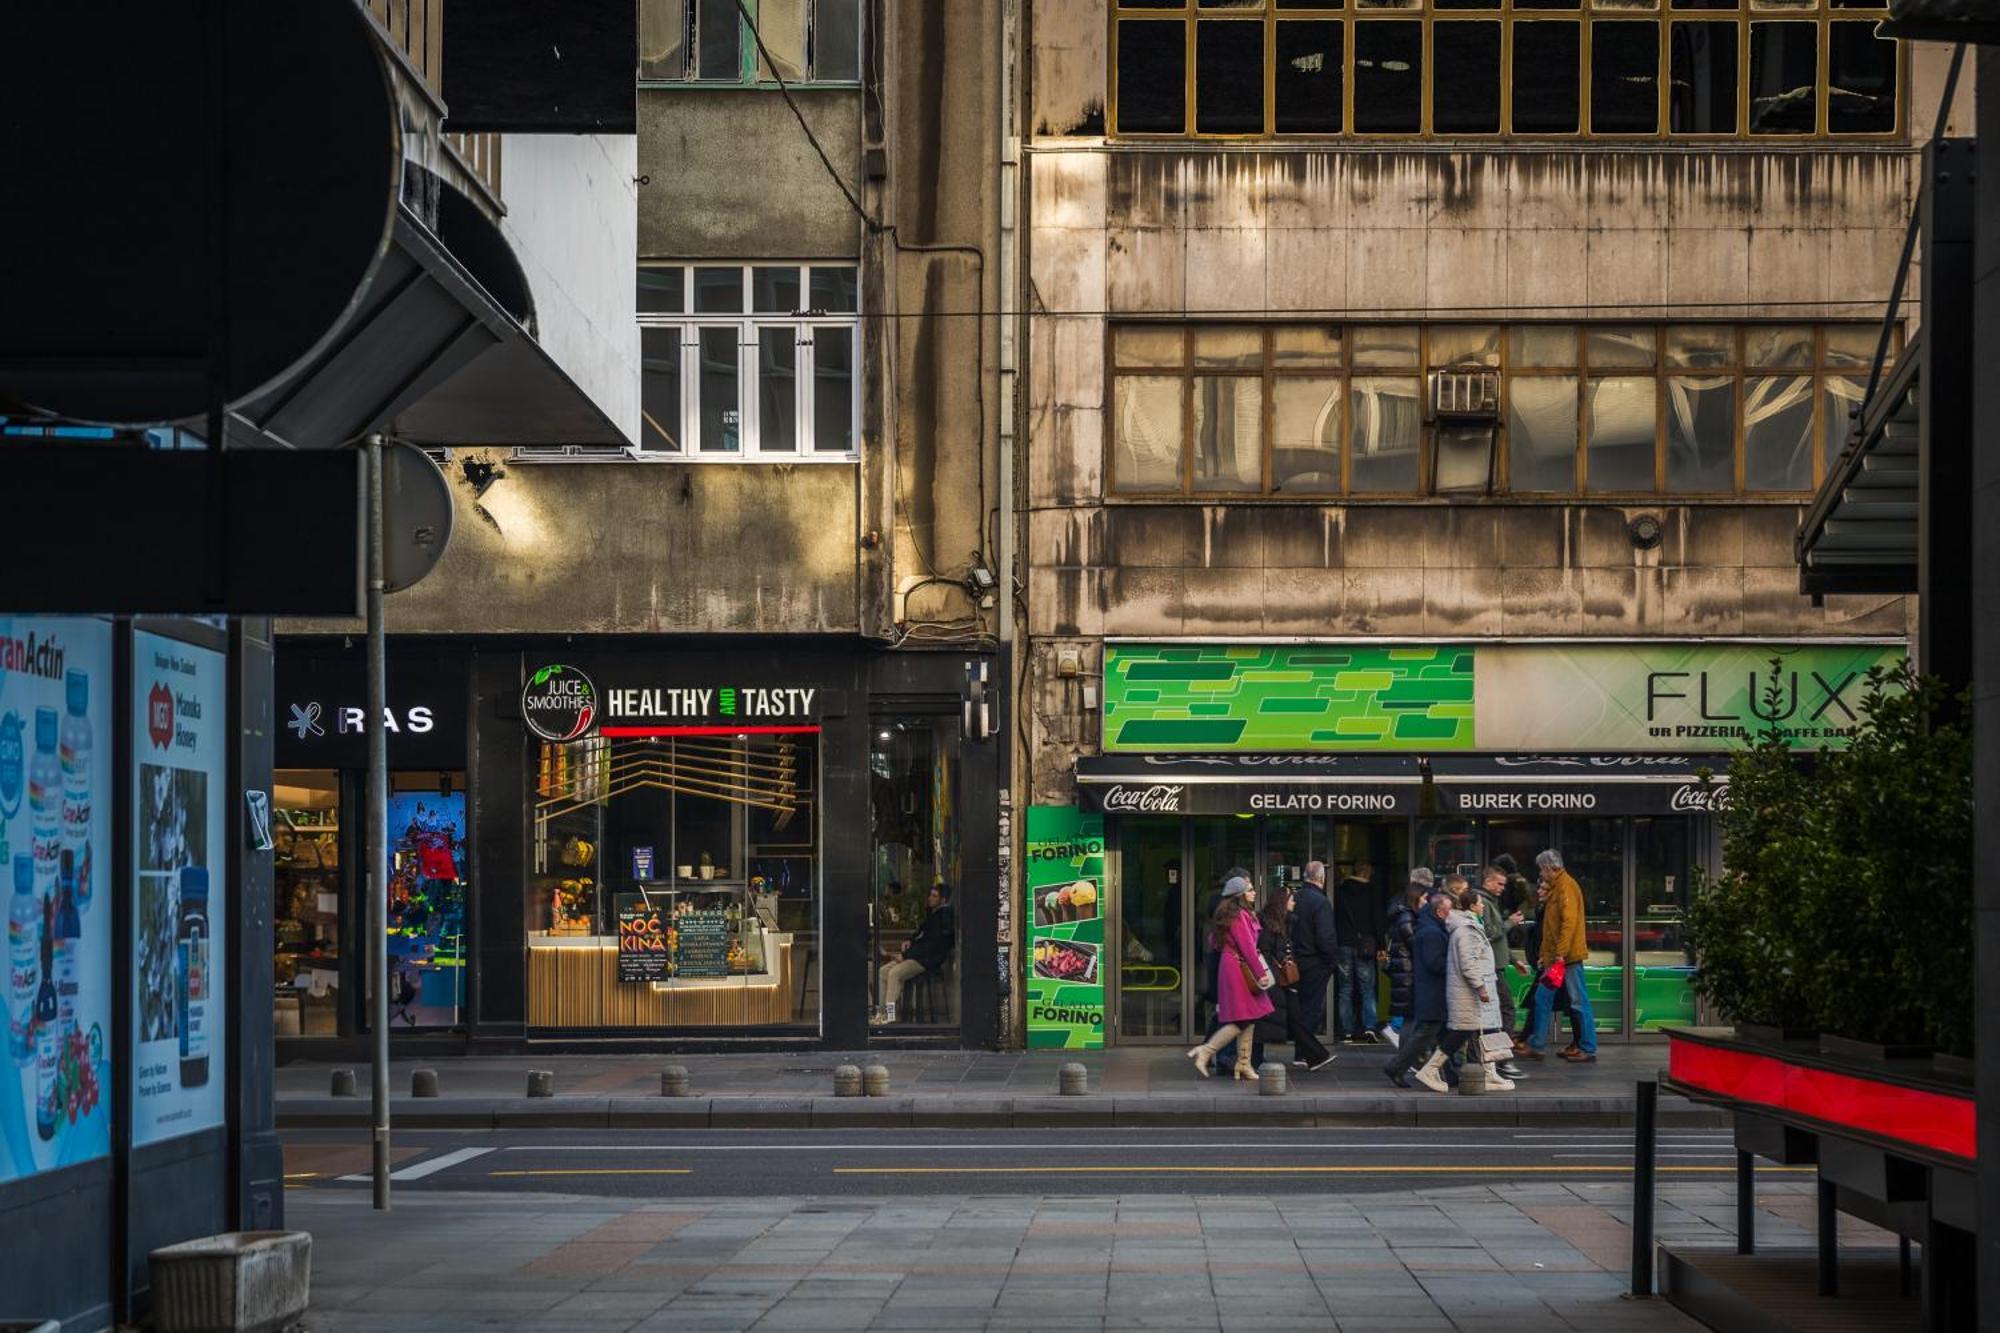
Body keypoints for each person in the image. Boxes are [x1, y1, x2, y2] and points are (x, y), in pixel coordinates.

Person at [1410, 885, 1516, 1094]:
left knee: (1481, 1032)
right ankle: (1430, 1070)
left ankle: (1489, 1073)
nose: (1483, 906)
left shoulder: (1470, 927)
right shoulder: (1466, 930)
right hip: (1468, 994)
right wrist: (1481, 987)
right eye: (1480, 903)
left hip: (1471, 993)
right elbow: (1468, 963)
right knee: (1460, 1034)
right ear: (1471, 906)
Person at [1187, 876, 1275, 1080]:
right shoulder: (1239, 916)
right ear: (1239, 894)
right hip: (1238, 969)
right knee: (1241, 1019)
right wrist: (1261, 974)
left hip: (1235, 966)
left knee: (1249, 1017)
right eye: (1250, 889)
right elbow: (1247, 947)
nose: (1254, 892)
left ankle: (1243, 1064)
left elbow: (1215, 941)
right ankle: (1206, 1051)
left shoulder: (1234, 914)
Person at [1522, 850, 1598, 1063]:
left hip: (1567, 958)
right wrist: (1545, 956)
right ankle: (1537, 1044)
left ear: (1548, 868)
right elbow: (1552, 928)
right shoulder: (1559, 888)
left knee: (1577, 1000)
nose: (1541, 874)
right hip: (1557, 957)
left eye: (1541, 869)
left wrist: (1559, 955)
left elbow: (1568, 924)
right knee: (1542, 998)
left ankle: (1588, 1047)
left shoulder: (1566, 887)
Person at [1258, 886, 1336, 1073]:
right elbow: (1265, 950)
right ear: (1283, 903)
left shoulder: (1286, 923)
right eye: (1291, 900)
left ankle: (1315, 1056)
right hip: (1277, 980)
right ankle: (1315, 1055)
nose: (1295, 903)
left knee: (1295, 1019)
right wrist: (1276, 975)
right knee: (1287, 1019)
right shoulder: (1272, 925)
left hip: (1284, 980)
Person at [1383, 890, 1450, 1088]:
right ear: (1439, 911)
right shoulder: (1430, 931)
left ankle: (1443, 1072)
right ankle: (1397, 1066)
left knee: (1431, 1032)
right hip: (1428, 989)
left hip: (1422, 986)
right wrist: (1455, 962)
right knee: (1425, 1032)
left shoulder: (1424, 925)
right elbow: (1434, 962)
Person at [1477, 865, 1528, 1081]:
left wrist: (1514, 961)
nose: (1502, 888)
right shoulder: (1484, 903)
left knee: (1499, 1013)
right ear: (1487, 881)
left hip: (1497, 966)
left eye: (1504, 885)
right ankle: (1502, 1060)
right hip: (1491, 969)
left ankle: (1498, 1059)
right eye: (1499, 883)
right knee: (1505, 1011)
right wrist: (1510, 923)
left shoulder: (1490, 902)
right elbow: (1488, 933)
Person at [878, 883, 955, 1019]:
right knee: (883, 971)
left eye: (934, 896)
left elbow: (930, 945)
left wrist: (905, 955)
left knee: (894, 974)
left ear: (943, 900)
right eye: (930, 895)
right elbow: (920, 933)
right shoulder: (932, 913)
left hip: (927, 960)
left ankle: (889, 1017)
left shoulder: (944, 917)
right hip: (917, 957)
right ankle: (882, 1012)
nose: (930, 898)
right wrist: (910, 940)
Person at [1332, 861, 1385, 1044]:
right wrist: (1381, 945)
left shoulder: (1340, 891)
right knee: (1367, 989)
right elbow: (1377, 918)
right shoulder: (1372, 891)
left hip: (1343, 943)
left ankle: (1346, 1031)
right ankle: (1369, 1028)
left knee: (1345, 989)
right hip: (1365, 945)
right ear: (1367, 873)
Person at [1381, 868, 1434, 1049]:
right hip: (1407, 970)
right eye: (1425, 897)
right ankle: (1406, 1055)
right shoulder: (1407, 918)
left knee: (1408, 1014)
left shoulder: (1400, 908)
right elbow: (1415, 945)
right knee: (1409, 1016)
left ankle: (1407, 1055)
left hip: (1404, 969)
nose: (1428, 901)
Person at [1292, 861, 1340, 1054]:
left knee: (1300, 1007)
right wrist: (1332, 961)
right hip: (1315, 963)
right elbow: (1325, 936)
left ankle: (1302, 1051)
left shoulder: (1295, 897)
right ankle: (1304, 1052)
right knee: (1311, 1009)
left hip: (1295, 961)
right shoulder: (1320, 902)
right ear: (1321, 878)